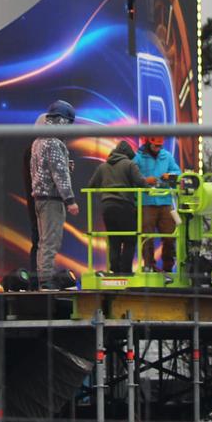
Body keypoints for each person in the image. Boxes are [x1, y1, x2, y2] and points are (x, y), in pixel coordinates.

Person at [29, 99, 79, 288]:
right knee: (51, 241)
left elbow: (41, 169)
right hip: (51, 199)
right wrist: (70, 200)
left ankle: (43, 278)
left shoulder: (38, 142)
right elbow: (59, 174)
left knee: (44, 241)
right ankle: (46, 281)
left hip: (40, 197)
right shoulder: (53, 143)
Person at [86, 139, 148, 274]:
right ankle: (125, 271)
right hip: (125, 205)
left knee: (114, 239)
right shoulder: (129, 164)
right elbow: (140, 182)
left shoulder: (102, 167)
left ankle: (114, 269)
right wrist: (150, 187)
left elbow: (91, 185)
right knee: (130, 239)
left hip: (107, 206)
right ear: (127, 154)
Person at [133, 135, 181, 272]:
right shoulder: (138, 158)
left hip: (165, 201)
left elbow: (178, 172)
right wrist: (145, 180)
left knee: (170, 236)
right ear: (149, 143)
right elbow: (132, 175)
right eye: (156, 145)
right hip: (146, 202)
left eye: (160, 146)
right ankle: (149, 266)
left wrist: (170, 175)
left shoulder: (167, 156)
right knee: (147, 237)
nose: (158, 148)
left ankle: (168, 268)